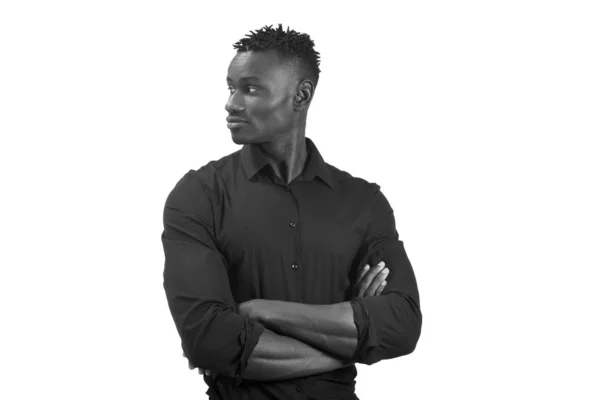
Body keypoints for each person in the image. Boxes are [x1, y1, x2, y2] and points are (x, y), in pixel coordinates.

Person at [161, 24, 422, 400]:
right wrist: (352, 336)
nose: (232, 103)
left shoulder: (363, 202)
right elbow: (210, 341)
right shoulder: (200, 195)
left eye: (250, 89)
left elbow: (402, 325)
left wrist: (260, 310)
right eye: (231, 87)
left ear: (301, 95)